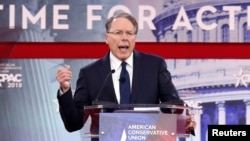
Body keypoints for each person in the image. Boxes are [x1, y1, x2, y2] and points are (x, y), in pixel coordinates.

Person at [56, 12, 196, 140]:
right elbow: (74, 124)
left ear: (134, 38)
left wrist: (184, 120)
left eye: (129, 33)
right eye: (118, 33)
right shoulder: (90, 73)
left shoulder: (155, 66)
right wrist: (65, 90)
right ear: (107, 38)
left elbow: (172, 104)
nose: (124, 38)